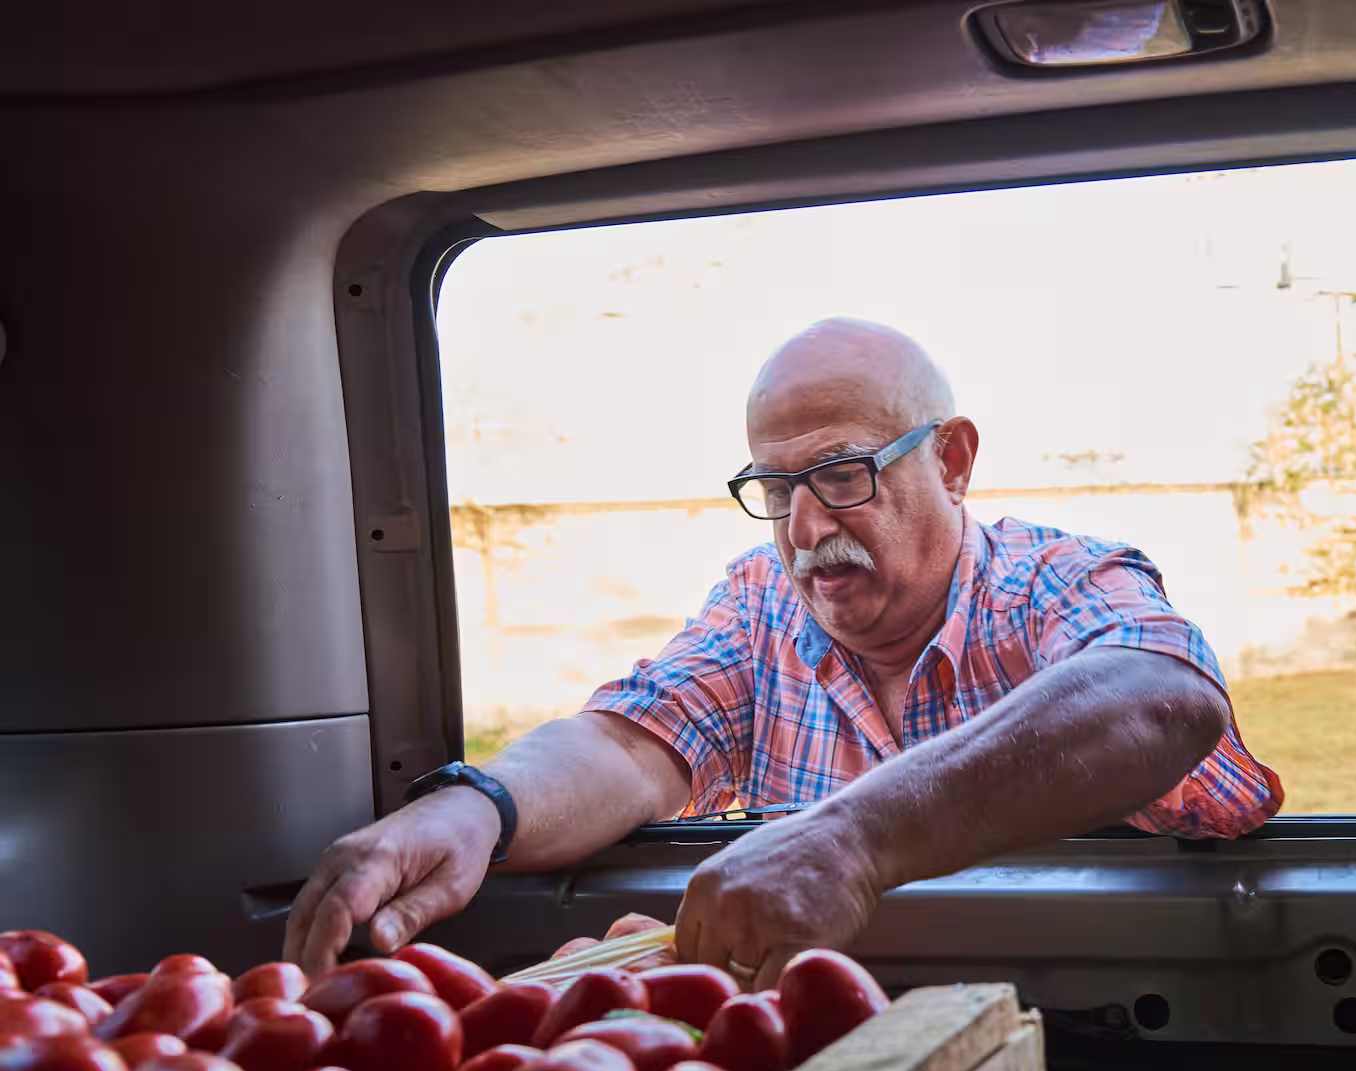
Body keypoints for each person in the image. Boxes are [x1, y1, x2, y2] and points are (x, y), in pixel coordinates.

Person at [286, 318, 1281, 982]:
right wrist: (478, 806)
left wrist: (850, 839)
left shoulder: (1051, 579)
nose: (804, 529)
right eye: (774, 488)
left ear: (952, 460)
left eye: (842, 475)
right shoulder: (761, 604)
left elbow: (1159, 699)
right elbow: (633, 741)